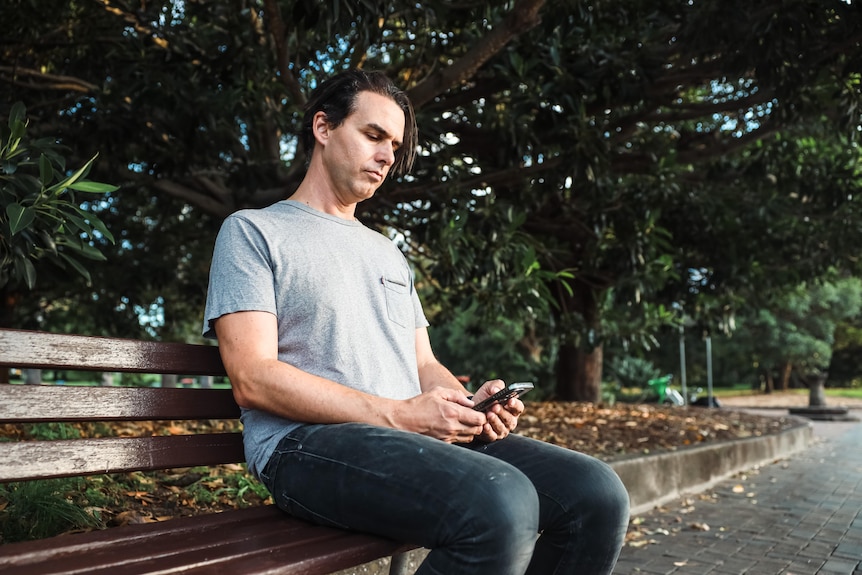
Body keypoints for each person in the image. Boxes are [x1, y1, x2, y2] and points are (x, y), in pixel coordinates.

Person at [203, 69, 629, 574]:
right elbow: (253, 378)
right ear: (323, 127)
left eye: (395, 145)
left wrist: (470, 406)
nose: (387, 156)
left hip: (405, 441)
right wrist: (401, 415)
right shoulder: (254, 232)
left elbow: (423, 363)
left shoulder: (388, 253)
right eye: (373, 135)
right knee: (499, 503)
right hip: (305, 447)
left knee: (596, 496)